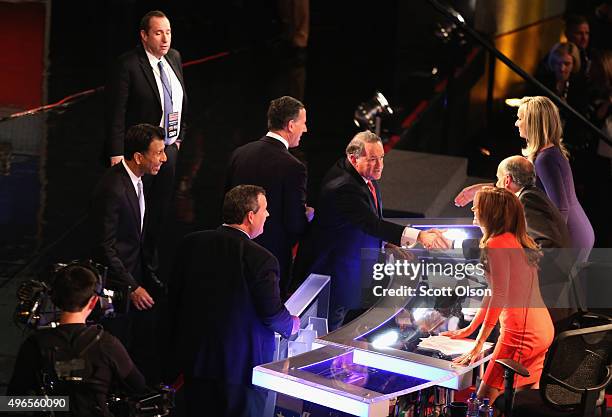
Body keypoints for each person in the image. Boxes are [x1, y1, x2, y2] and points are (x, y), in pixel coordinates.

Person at [294, 131, 449, 330]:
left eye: (382, 158)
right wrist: (419, 235)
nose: (380, 165)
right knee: (328, 333)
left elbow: (363, 220)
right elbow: (370, 223)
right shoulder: (344, 187)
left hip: (348, 271)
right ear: (353, 158)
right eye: (373, 159)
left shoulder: (358, 174)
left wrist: (388, 242)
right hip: (336, 275)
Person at [168, 185, 299, 417]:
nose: (267, 215)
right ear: (251, 216)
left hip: (195, 363)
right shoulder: (261, 259)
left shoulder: (191, 243)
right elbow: (271, 314)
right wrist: (292, 325)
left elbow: (174, 299)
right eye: (265, 210)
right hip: (240, 374)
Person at [442, 187, 554, 405]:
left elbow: (499, 295)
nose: (473, 208)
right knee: (522, 402)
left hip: (521, 335)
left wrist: (478, 344)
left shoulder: (495, 244)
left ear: (489, 212)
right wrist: (470, 329)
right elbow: (493, 291)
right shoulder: (516, 239)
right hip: (543, 330)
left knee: (484, 400)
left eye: (477, 205)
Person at [106, 10, 188, 277]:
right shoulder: (129, 64)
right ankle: (126, 274)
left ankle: (150, 267)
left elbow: (179, 102)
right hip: (139, 155)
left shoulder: (174, 58)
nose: (165, 39)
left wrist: (177, 140)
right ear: (144, 36)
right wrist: (117, 153)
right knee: (134, 215)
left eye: (168, 32)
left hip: (168, 151)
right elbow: (117, 112)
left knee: (158, 213)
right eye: (158, 33)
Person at [8, 263, 147, 417]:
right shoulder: (107, 344)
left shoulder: (34, 345)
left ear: (54, 299)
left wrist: (60, 403)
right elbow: (138, 386)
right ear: (93, 302)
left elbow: (12, 402)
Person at [91, 123, 167, 383]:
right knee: (115, 349)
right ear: (138, 157)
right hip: (117, 289)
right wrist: (132, 287)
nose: (164, 158)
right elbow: (105, 246)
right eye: (158, 153)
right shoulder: (112, 188)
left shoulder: (136, 180)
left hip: (135, 276)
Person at [226, 96, 313, 297]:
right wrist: (306, 216)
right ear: (291, 125)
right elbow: (295, 224)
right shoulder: (293, 167)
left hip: (232, 255)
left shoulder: (240, 154)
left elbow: (226, 206)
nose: (305, 129)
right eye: (303, 123)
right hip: (270, 262)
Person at [517, 96, 595, 256]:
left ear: (533, 122)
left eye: (520, 118)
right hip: (576, 230)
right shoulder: (548, 153)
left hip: (571, 235)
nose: (516, 123)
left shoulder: (545, 159)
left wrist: (555, 248)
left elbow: (561, 208)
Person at [454, 155, 571, 249]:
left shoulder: (527, 199)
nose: (496, 185)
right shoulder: (530, 196)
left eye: (498, 179)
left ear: (507, 180)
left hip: (549, 276)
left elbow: (546, 245)